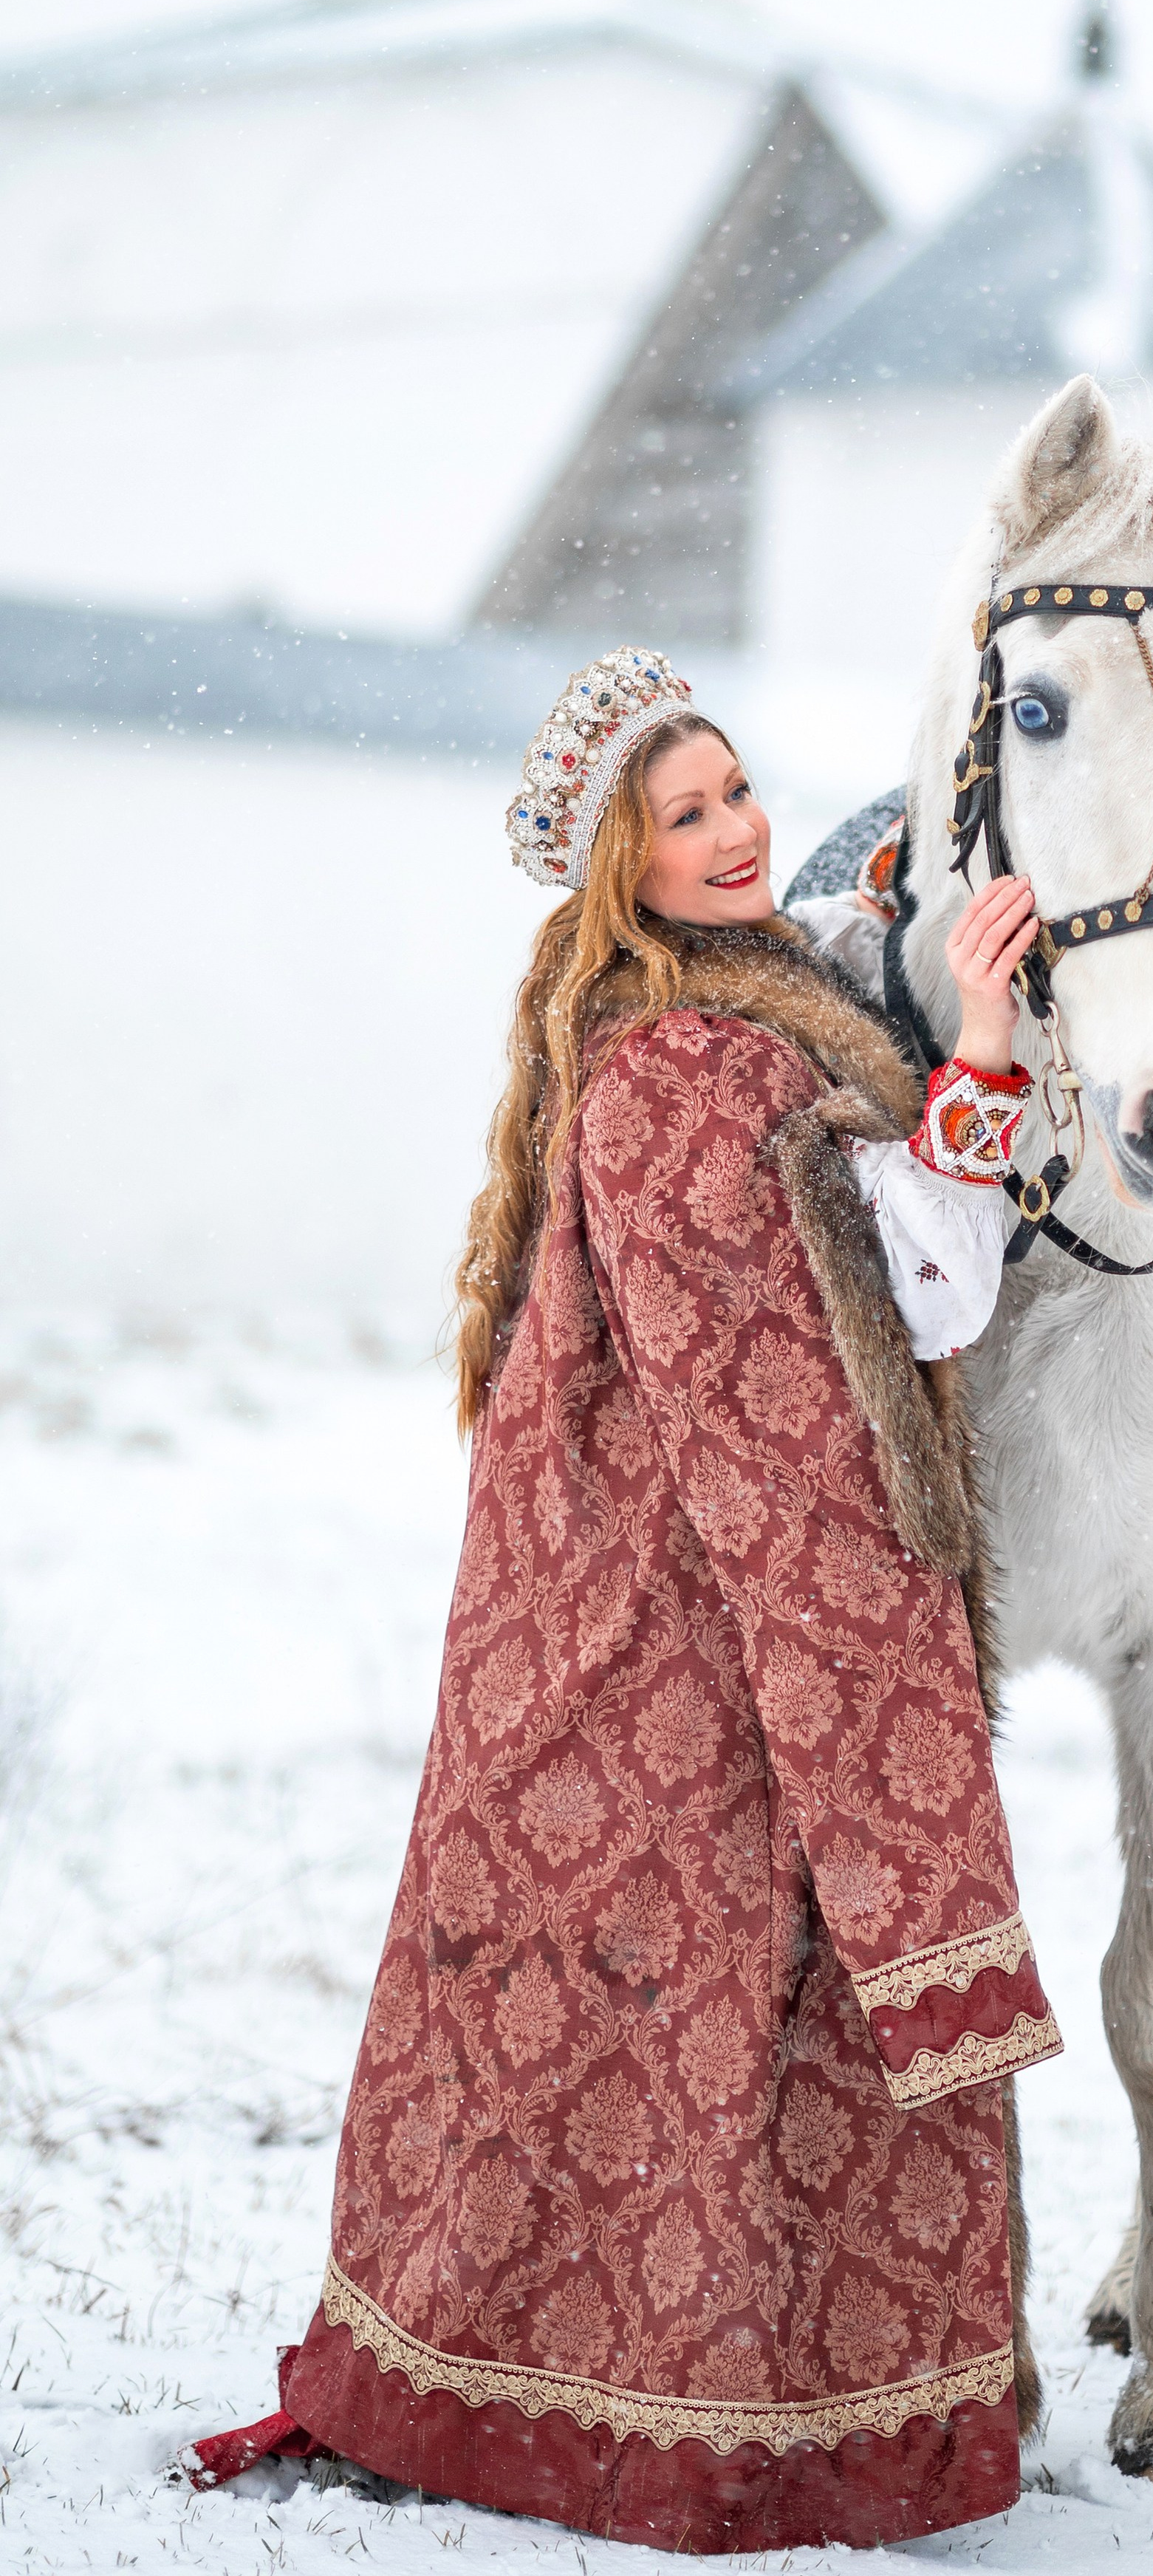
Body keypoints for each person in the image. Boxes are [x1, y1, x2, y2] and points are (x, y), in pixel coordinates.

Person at [186, 646, 1061, 2552]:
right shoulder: (688, 1072)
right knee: (715, 1999)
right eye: (691, 818)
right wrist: (981, 1050)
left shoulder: (703, 1013)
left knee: (645, 2016)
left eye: (744, 790)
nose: (743, 833)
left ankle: (571, 2387)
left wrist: (885, 913)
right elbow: (908, 1301)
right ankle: (704, 2428)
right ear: (622, 872)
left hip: (628, 1611)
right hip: (706, 1626)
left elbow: (823, 1031)